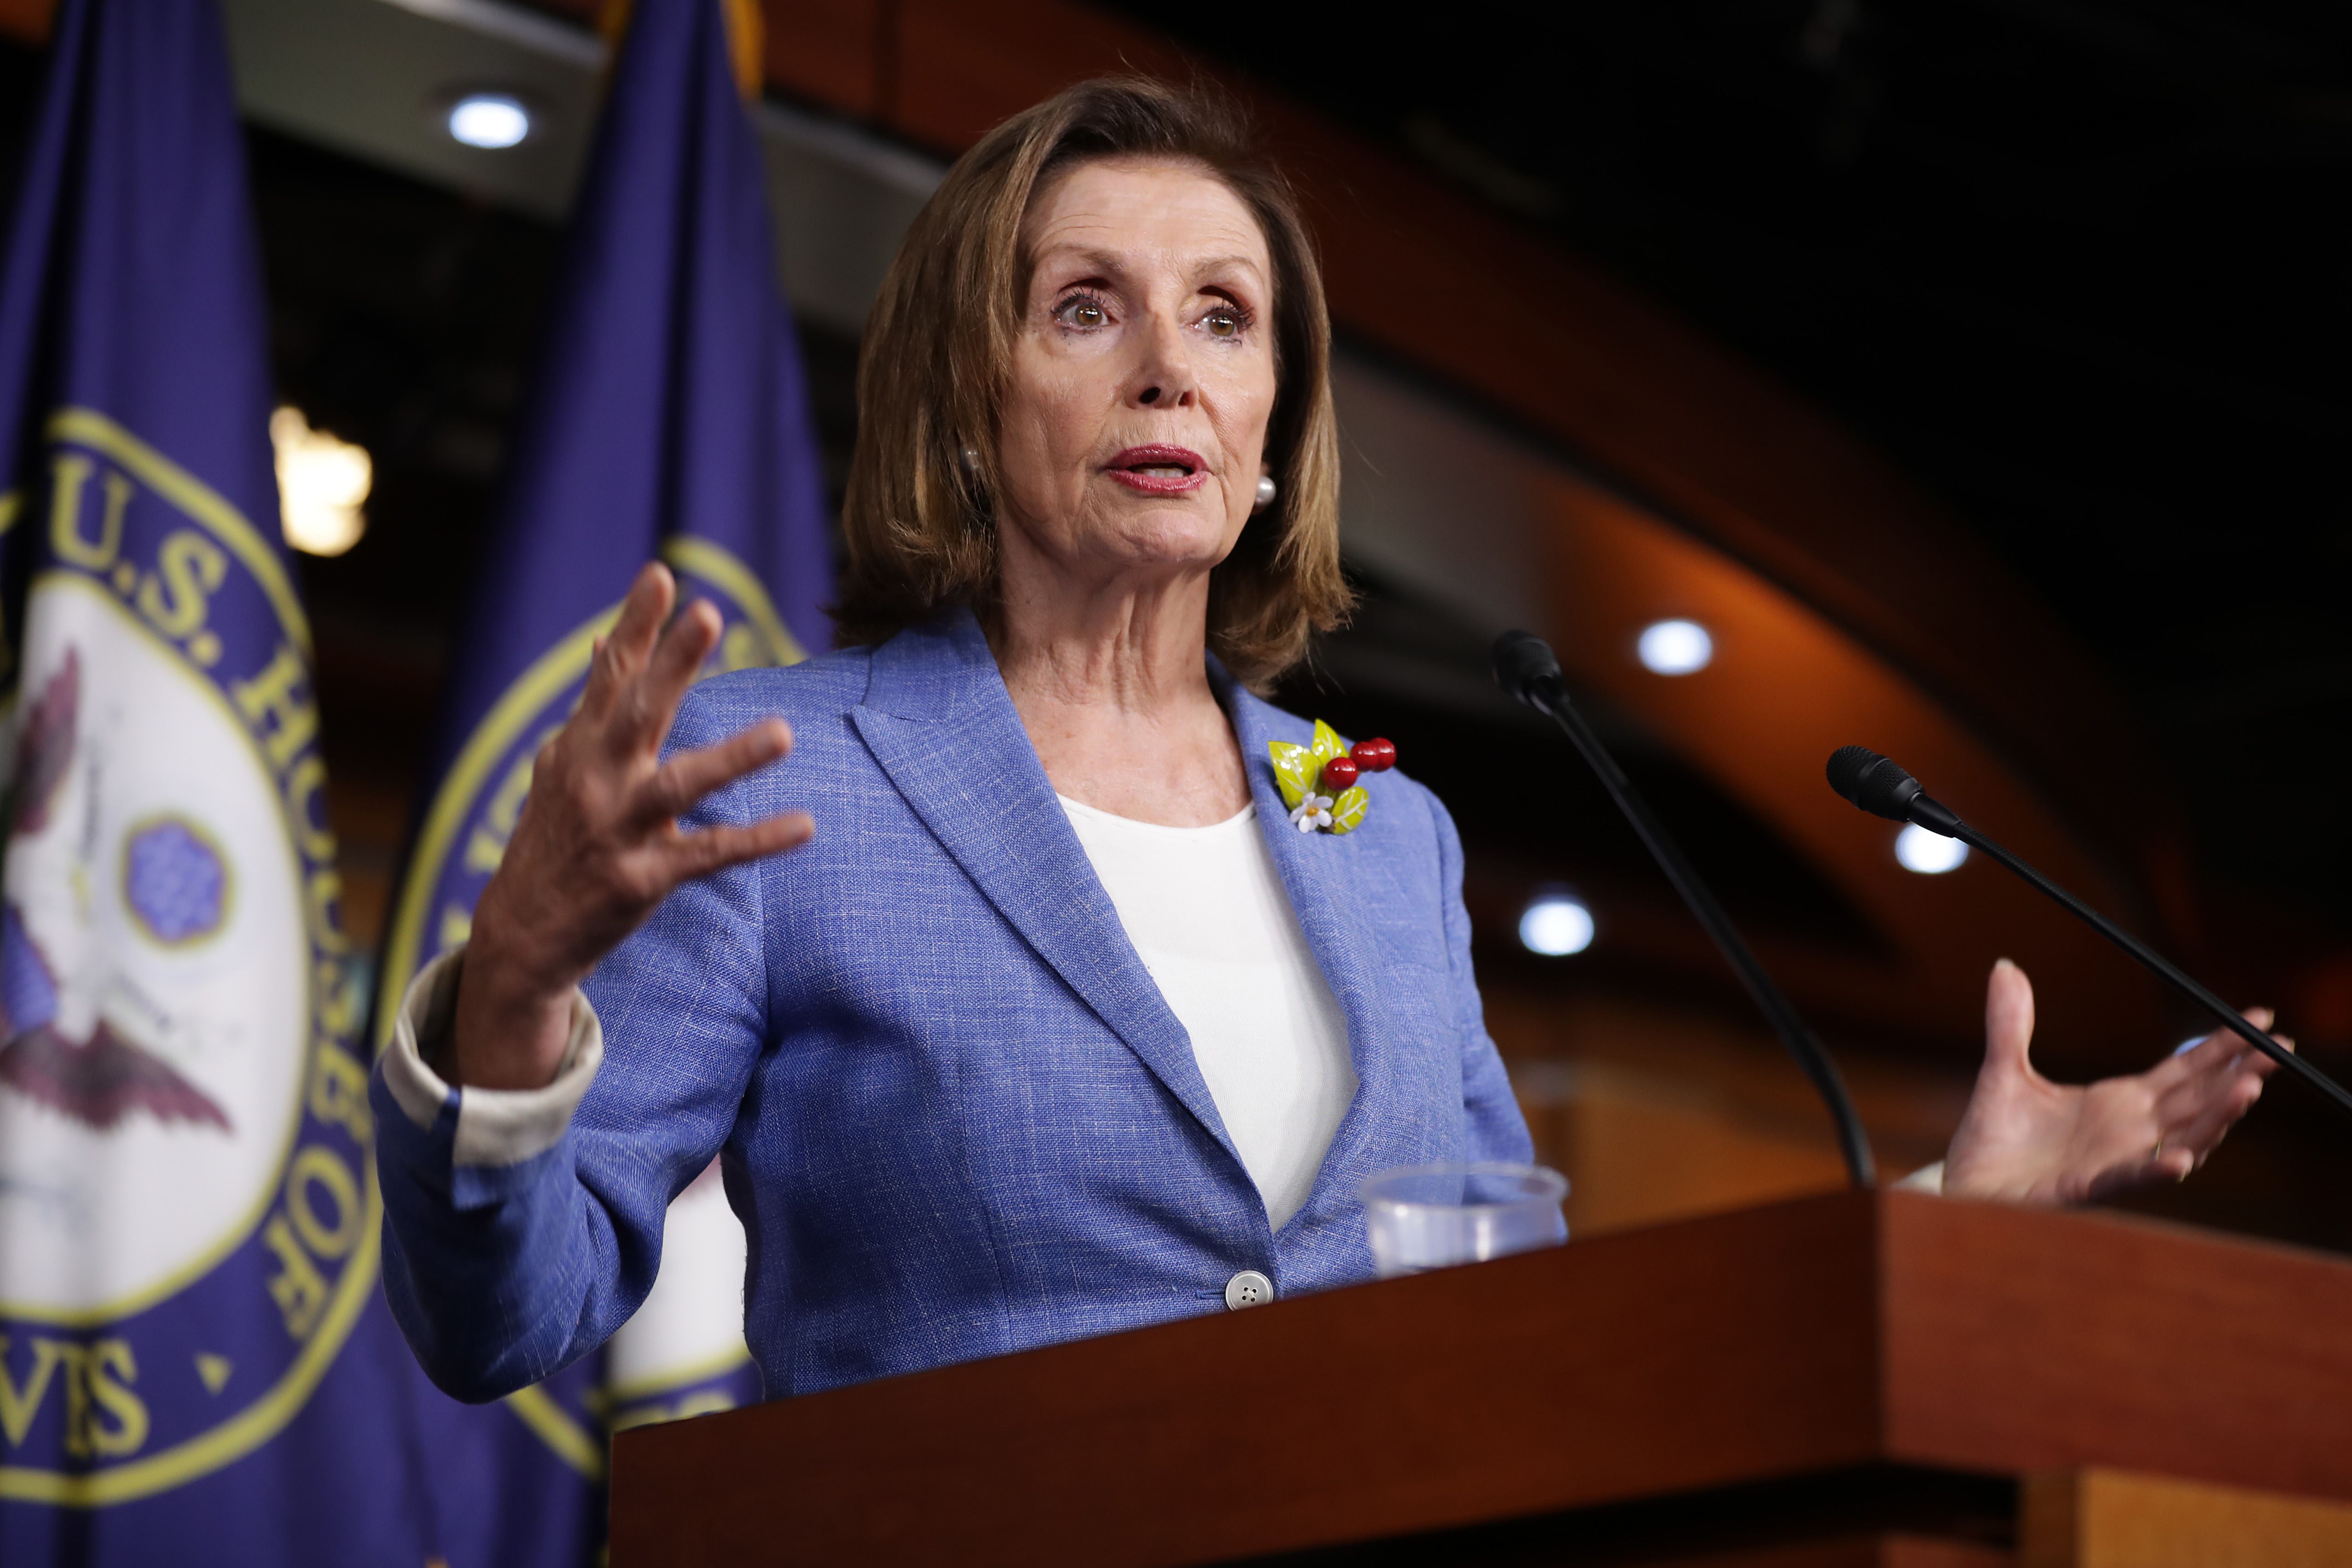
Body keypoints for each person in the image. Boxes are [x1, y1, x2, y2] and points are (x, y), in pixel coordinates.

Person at [372, 78, 2282, 1404]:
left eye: (1225, 318)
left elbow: (1518, 1324)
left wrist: (1954, 1218)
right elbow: (504, 1325)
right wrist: (514, 1016)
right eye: (1083, 309)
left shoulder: (1386, 836)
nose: (1165, 367)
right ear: (971, 397)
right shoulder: (785, 777)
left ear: (1273, 424)